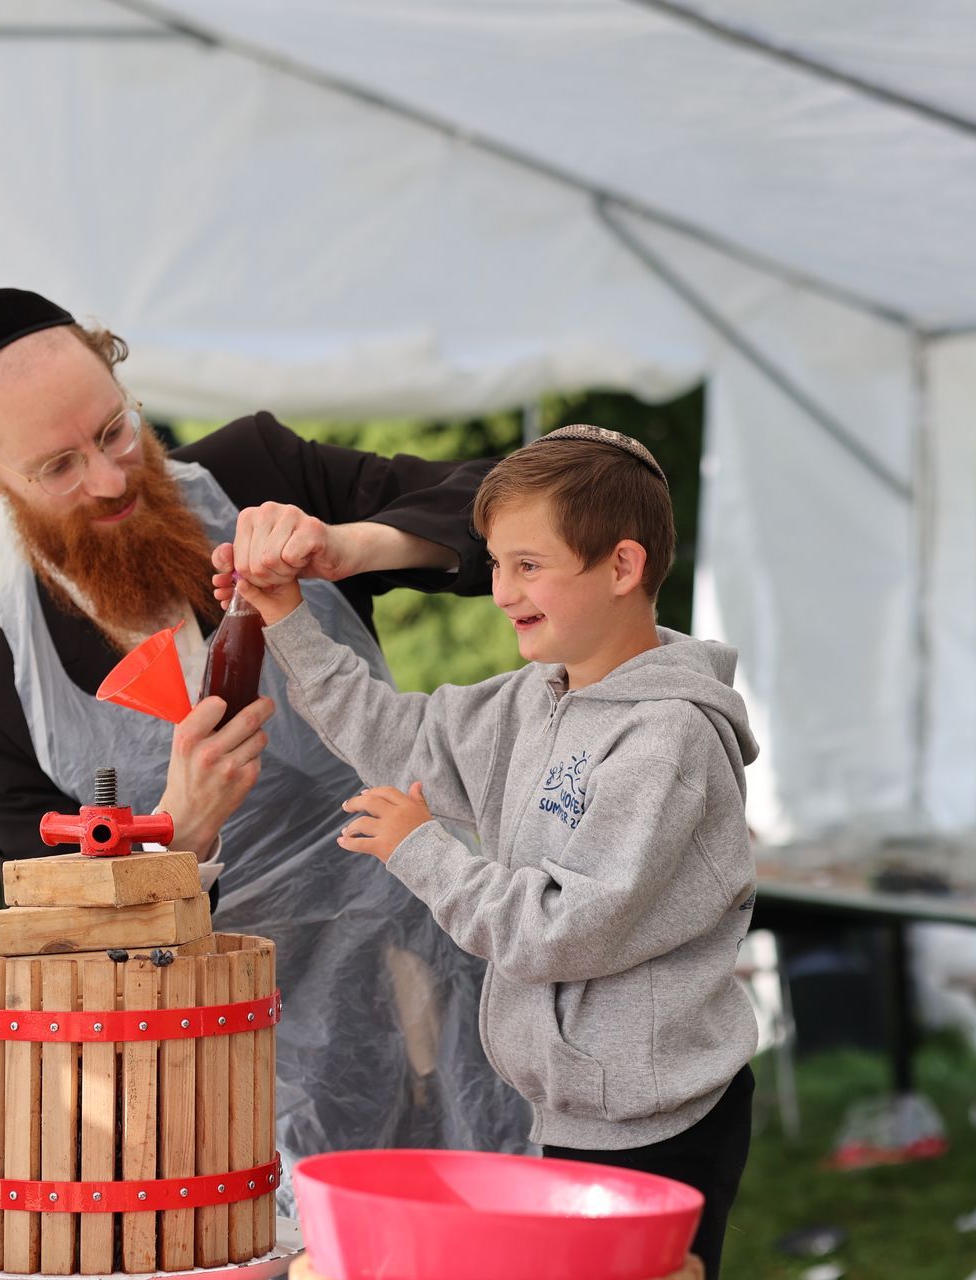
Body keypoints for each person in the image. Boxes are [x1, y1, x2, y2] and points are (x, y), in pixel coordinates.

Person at [0, 287, 529, 1190]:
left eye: (115, 431)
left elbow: (520, 505)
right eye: (57, 466)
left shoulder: (256, 470)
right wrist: (176, 835)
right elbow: (58, 959)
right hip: (238, 1070)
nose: (112, 479)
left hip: (451, 978)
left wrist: (350, 546)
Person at [227, 424, 759, 1277]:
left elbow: (561, 930)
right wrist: (286, 616)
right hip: (564, 1109)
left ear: (622, 568)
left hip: (660, 1123)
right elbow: (391, 733)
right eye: (497, 563)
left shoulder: (667, 742)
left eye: (527, 565)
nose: (501, 589)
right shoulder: (531, 698)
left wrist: (422, 850)